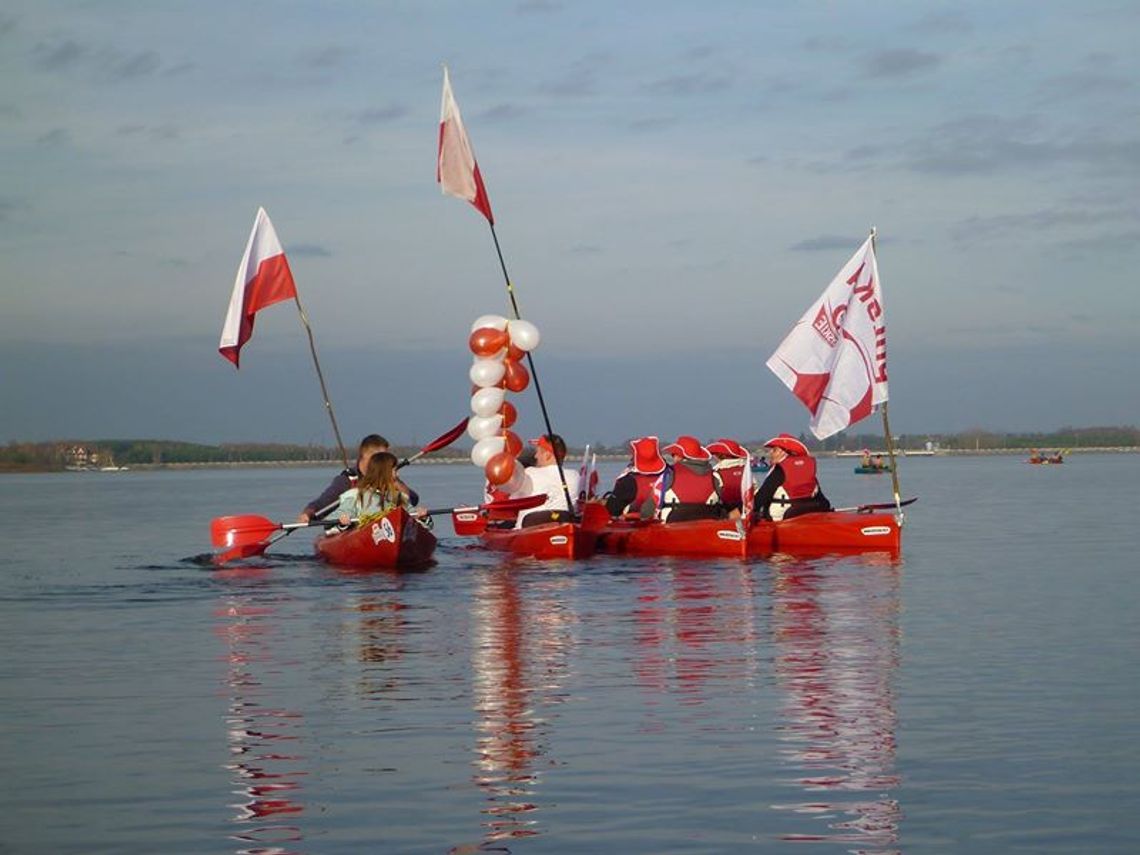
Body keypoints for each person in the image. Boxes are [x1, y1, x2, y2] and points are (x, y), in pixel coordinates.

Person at [298, 434, 418, 523]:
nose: (384, 460)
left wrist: (395, 480)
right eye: (380, 457)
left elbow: (412, 499)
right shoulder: (347, 480)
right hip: (356, 530)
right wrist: (307, 513)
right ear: (366, 455)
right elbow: (322, 504)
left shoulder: (390, 479)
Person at [753, 433, 831, 521]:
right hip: (807, 514)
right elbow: (822, 499)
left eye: (774, 450)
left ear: (784, 452)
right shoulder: (807, 471)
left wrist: (748, 513)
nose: (770, 452)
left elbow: (761, 498)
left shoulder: (779, 471)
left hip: (781, 519)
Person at [509, 434, 581, 528]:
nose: (535, 456)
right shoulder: (575, 476)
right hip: (563, 525)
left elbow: (513, 501)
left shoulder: (529, 473)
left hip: (528, 529)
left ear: (547, 455)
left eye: (538, 452)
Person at [333, 452, 416, 527]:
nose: (398, 475)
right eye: (395, 471)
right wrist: (342, 521)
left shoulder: (399, 497)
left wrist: (422, 518)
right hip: (364, 539)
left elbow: (414, 516)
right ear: (383, 472)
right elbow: (334, 519)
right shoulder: (356, 496)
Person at [657, 435, 722, 523]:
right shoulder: (715, 476)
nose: (673, 458)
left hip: (673, 528)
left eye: (674, 454)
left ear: (680, 456)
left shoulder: (669, 474)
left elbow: (651, 505)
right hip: (708, 526)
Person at [604, 436, 667, 518]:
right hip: (665, 521)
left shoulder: (627, 482)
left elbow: (611, 510)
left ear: (635, 457)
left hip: (638, 524)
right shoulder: (671, 476)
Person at [705, 438, 751, 517]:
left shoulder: (716, 472)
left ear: (719, 455)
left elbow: (712, 497)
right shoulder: (746, 470)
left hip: (726, 512)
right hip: (746, 510)